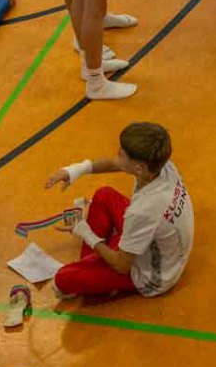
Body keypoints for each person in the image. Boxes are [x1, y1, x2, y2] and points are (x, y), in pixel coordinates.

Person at [44, 122, 193, 300]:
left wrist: (85, 232)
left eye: (122, 153)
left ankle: (98, 274)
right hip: (165, 249)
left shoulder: (142, 211)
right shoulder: (162, 166)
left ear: (139, 168)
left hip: (153, 277)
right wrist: (74, 170)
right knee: (104, 195)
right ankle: (94, 265)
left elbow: (123, 266)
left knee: (63, 279)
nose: (117, 153)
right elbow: (117, 164)